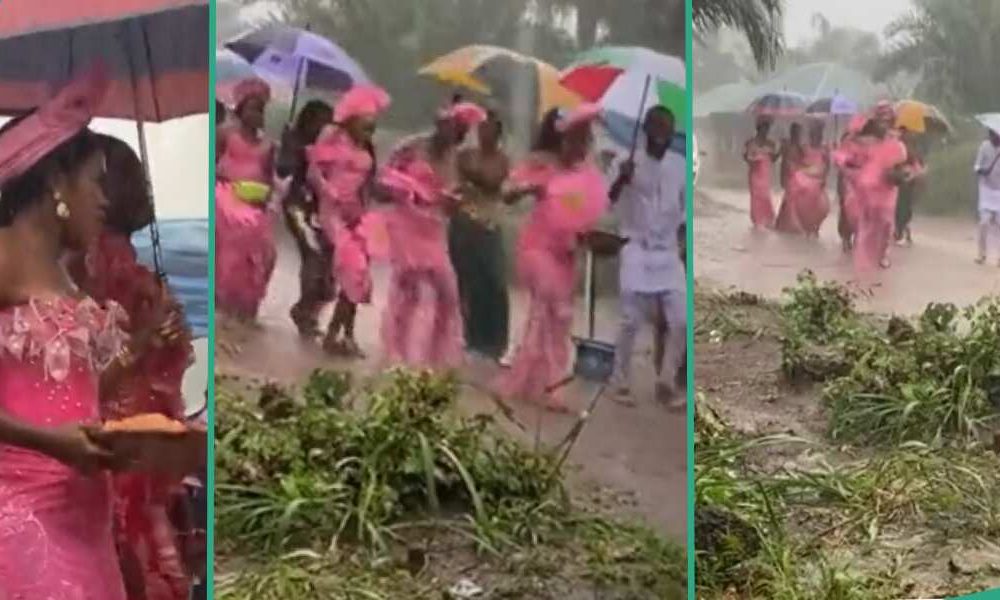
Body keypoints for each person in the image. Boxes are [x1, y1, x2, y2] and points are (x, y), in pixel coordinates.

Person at [0, 66, 178, 598]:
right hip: (23, 518)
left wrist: (143, 341)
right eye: (96, 182)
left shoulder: (66, 272)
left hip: (86, 521)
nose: (106, 200)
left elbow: (72, 392)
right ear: (57, 182)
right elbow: (44, 424)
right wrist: (49, 442)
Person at [66, 134, 195, 599]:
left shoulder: (99, 259)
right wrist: (152, 336)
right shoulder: (102, 262)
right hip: (123, 423)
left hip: (118, 418)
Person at [496, 105, 609, 412]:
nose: (581, 145)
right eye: (576, 138)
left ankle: (536, 381)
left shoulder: (587, 173)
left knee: (558, 317)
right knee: (550, 305)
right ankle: (544, 385)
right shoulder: (541, 163)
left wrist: (593, 236)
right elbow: (506, 191)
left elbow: (590, 213)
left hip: (567, 253)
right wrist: (528, 187)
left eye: (586, 139)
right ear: (562, 138)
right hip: (537, 250)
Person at [378, 102, 485, 369]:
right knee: (410, 288)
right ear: (441, 125)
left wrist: (454, 203)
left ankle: (435, 357)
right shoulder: (410, 147)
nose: (458, 136)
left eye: (463, 131)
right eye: (455, 128)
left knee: (448, 293)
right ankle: (396, 352)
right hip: (406, 222)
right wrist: (403, 190)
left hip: (434, 229)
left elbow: (453, 201)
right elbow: (382, 181)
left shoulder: (457, 160)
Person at [607, 106, 686, 407]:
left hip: (667, 252)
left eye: (666, 132)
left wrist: (681, 243)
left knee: (681, 319)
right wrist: (621, 180)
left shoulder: (678, 165)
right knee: (629, 319)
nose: (661, 138)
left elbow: (684, 211)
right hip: (636, 248)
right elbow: (606, 201)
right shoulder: (625, 162)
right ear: (645, 132)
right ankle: (620, 380)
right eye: (656, 131)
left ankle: (666, 380)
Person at [307, 86, 390, 356]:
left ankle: (343, 333)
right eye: (366, 125)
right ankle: (334, 335)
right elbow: (313, 172)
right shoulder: (332, 137)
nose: (370, 131)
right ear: (352, 120)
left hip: (357, 214)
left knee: (359, 274)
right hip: (331, 213)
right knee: (353, 267)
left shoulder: (367, 148)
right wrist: (327, 190)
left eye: (373, 127)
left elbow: (369, 185)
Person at [449, 109, 511, 362]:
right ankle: (471, 339)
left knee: (494, 284)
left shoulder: (501, 160)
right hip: (463, 223)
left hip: (489, 224)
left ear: (498, 133)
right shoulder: (465, 154)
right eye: (482, 128)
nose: (485, 133)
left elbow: (492, 181)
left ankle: (495, 343)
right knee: (467, 282)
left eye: (491, 129)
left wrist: (472, 175)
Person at [215, 77, 277, 322]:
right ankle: (223, 304)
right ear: (240, 109)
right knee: (238, 238)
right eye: (252, 108)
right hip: (224, 197)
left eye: (261, 110)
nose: (257, 114)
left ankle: (249, 309)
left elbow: (270, 180)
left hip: (254, 203)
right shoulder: (225, 134)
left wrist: (265, 194)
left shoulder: (268, 145)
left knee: (267, 254)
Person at [278, 100, 336, 337]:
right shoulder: (296, 141)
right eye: (320, 122)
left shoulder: (334, 147)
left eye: (329, 123)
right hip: (298, 205)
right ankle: (304, 312)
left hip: (325, 209)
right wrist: (293, 148)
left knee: (330, 268)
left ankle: (308, 312)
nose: (324, 127)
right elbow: (283, 170)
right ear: (308, 121)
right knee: (313, 255)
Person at [834, 102, 909, 273]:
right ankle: (862, 268)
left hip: (886, 192)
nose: (884, 123)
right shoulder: (862, 141)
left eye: (887, 120)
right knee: (863, 223)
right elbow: (846, 157)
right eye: (881, 120)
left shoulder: (897, 146)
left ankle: (881, 255)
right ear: (875, 121)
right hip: (863, 191)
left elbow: (901, 168)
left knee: (886, 223)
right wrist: (849, 162)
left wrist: (900, 175)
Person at [778, 119, 830, 237]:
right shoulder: (804, 147)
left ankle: (812, 226)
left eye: (818, 133)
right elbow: (796, 160)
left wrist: (824, 177)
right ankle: (799, 223)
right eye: (813, 133)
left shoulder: (825, 148)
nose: (816, 136)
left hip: (817, 177)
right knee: (797, 182)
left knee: (823, 205)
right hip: (805, 174)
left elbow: (827, 165)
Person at [743, 116, 779, 229]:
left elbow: (773, 159)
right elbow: (747, 158)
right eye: (763, 128)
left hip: (765, 173)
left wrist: (781, 151)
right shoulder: (750, 142)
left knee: (765, 196)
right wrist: (755, 158)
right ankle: (757, 221)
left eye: (767, 129)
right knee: (756, 197)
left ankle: (768, 220)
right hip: (755, 173)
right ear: (758, 129)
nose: (765, 131)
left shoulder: (771, 143)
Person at [894, 127, 926, 245]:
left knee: (906, 207)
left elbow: (919, 163)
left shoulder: (914, 148)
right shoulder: (896, 145)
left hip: (909, 181)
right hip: (898, 180)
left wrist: (917, 172)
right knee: (900, 207)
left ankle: (902, 230)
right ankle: (900, 231)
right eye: (906, 132)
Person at [974, 125, 1000, 265]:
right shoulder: (984, 146)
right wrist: (983, 170)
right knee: (984, 223)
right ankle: (981, 254)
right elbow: (977, 166)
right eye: (994, 135)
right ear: (991, 135)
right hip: (986, 189)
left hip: (999, 191)